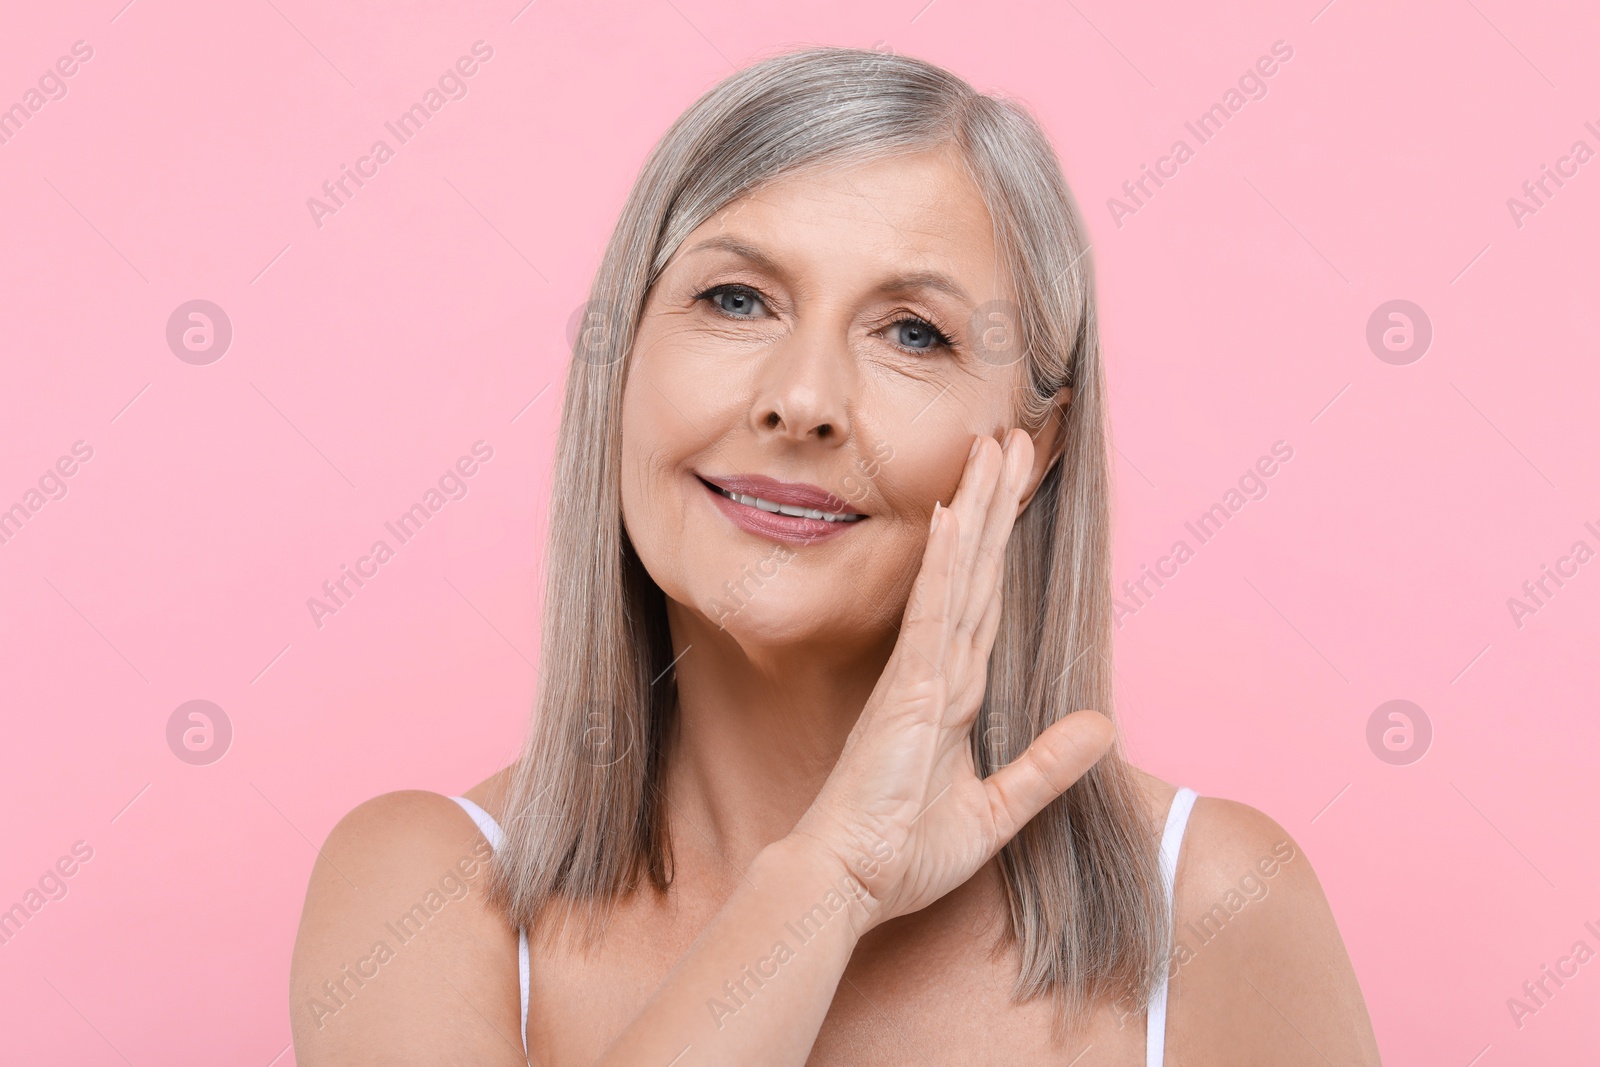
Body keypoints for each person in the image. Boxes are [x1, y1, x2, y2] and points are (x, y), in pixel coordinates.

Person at [290, 45, 1381, 1065]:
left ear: (1032, 447)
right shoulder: (424, 893)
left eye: (913, 332)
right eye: (735, 299)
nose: (802, 401)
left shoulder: (1214, 904)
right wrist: (829, 876)